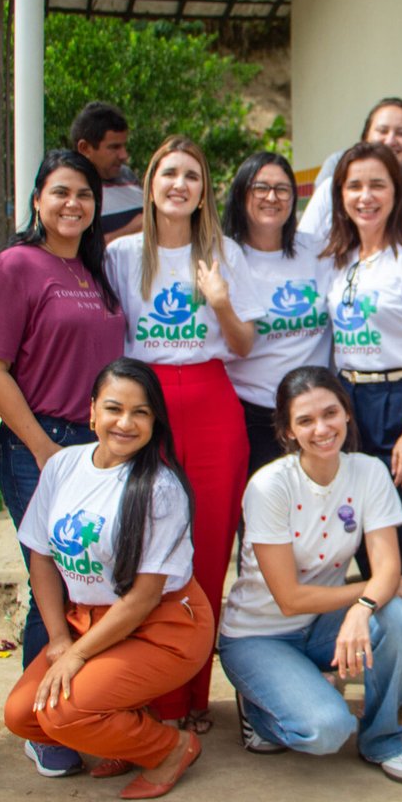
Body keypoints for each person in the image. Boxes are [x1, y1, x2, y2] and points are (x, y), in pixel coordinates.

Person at [103, 135, 265, 734]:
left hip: (210, 399)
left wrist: (220, 303)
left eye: (192, 176)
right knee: (147, 547)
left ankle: (194, 693)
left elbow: (246, 344)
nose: (179, 184)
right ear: (150, 184)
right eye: (168, 173)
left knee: (208, 546)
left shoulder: (223, 253)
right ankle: (151, 692)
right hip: (145, 405)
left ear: (204, 192)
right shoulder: (121, 255)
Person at [0, 149, 127, 777]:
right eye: (60, 193)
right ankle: (43, 723)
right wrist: (43, 447)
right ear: (36, 200)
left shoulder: (96, 269)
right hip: (44, 445)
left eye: (84, 196)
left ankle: (83, 707)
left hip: (103, 450)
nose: (72, 205)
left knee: (97, 580)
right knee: (54, 586)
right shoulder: (17, 266)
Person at [3, 359, 213, 800]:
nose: (126, 422)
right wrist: (59, 639)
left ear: (155, 421)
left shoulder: (161, 487)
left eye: (141, 412)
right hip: (89, 621)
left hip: (163, 625)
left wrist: (76, 656)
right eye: (115, 408)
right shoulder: (64, 465)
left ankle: (172, 748)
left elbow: (143, 598)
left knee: (62, 714)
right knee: (24, 716)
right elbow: (40, 557)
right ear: (92, 411)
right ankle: (131, 728)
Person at [219, 366, 402, 783]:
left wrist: (363, 606)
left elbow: (389, 566)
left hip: (321, 626)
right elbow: (289, 598)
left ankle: (383, 739)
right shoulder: (269, 486)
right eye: (305, 421)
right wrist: (367, 593)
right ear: (288, 430)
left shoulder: (368, 471)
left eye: (330, 413)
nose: (322, 429)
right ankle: (260, 713)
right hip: (259, 636)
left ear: (347, 413)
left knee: (399, 616)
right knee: (326, 731)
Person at [321, 141, 402, 743]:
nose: (365, 197)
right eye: (354, 186)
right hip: (350, 406)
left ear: (397, 192)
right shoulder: (342, 260)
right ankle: (379, 666)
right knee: (361, 544)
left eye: (377, 184)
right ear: (340, 195)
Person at [223, 152, 334, 477]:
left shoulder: (319, 249)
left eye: (282, 189)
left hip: (314, 413)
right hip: (251, 413)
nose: (272, 197)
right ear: (242, 193)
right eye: (261, 187)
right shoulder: (225, 256)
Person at [296, 98, 402, 242]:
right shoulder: (331, 188)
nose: (390, 140)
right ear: (365, 137)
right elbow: (304, 247)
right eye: (382, 131)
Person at [69, 102, 140, 241]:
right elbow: (74, 253)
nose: (124, 155)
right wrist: (133, 228)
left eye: (124, 146)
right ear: (85, 148)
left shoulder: (128, 177)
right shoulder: (69, 194)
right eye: (114, 147)